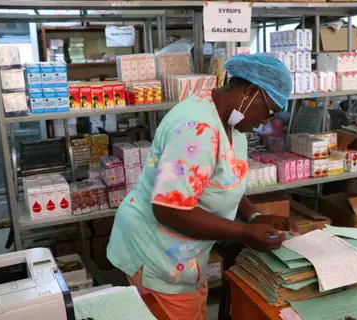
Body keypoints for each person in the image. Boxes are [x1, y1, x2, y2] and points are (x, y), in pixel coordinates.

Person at [106, 54, 292, 320]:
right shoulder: (197, 129)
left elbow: (223, 181)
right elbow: (169, 210)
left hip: (185, 257)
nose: (267, 121)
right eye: (269, 111)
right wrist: (244, 232)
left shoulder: (232, 123)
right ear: (251, 92)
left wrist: (254, 215)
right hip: (157, 254)